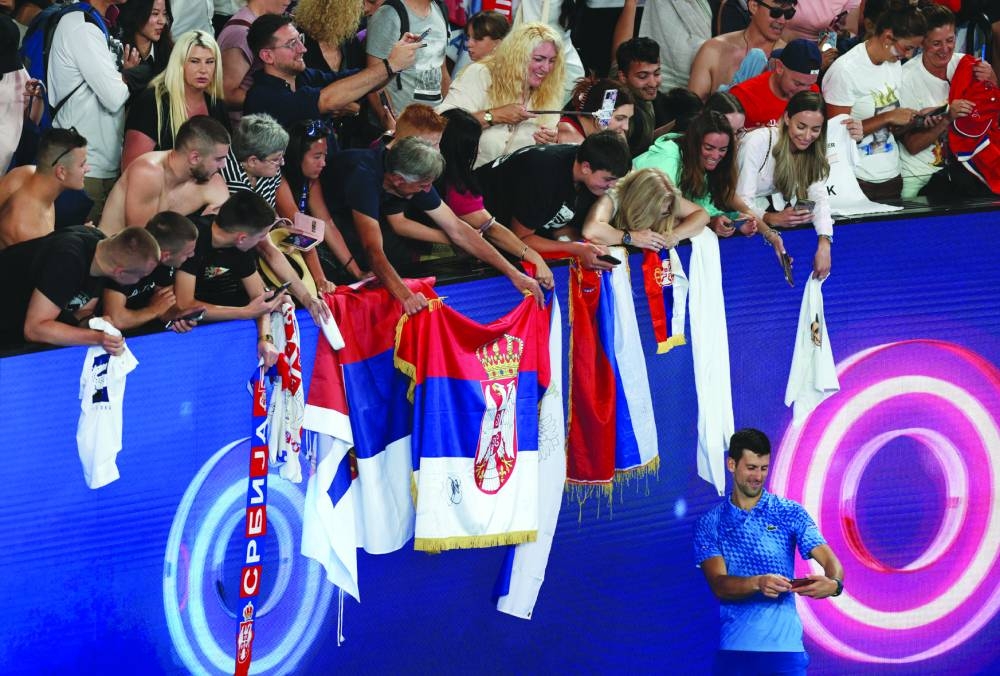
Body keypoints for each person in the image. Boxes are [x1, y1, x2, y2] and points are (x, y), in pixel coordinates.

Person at [325, 136, 544, 315]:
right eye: (423, 185)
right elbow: (373, 250)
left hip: (370, 209)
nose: (427, 190)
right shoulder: (364, 177)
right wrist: (406, 297)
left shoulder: (411, 178)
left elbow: (458, 229)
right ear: (398, 179)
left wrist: (514, 273)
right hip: (327, 220)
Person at [694, 427, 845, 676]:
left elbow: (832, 562)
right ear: (731, 464)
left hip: (785, 654)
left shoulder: (789, 512)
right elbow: (719, 585)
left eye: (764, 468)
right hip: (735, 653)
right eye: (751, 467)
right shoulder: (710, 523)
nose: (758, 476)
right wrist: (758, 582)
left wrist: (834, 584)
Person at [434, 108, 555, 289]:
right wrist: (532, 255)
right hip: (442, 273)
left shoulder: (424, 173)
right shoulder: (458, 190)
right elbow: (492, 229)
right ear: (468, 148)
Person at [475, 130, 632, 268]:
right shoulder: (543, 174)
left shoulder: (587, 175)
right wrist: (576, 249)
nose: (612, 185)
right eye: (608, 179)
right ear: (586, 168)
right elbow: (520, 240)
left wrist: (588, 247)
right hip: (473, 226)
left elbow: (559, 225)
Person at [736, 91, 851, 279]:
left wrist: (824, 243)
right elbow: (740, 202)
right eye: (801, 126)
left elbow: (818, 197)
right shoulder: (757, 142)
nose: (807, 136)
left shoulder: (814, 150)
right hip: (736, 217)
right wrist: (771, 218)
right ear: (787, 118)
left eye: (815, 129)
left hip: (766, 221)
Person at [46, 0, 141, 224]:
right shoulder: (81, 25)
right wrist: (129, 76)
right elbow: (114, 96)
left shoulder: (104, 21)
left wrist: (121, 78)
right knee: (79, 242)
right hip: (83, 165)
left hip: (105, 160)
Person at [822, 0, 927, 200]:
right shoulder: (845, 71)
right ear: (888, 37)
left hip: (891, 176)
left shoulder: (893, 64)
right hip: (855, 180)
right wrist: (888, 117)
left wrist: (911, 120)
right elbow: (835, 137)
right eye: (907, 48)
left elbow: (890, 126)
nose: (909, 55)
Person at [243, 13, 419, 128]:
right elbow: (327, 100)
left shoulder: (304, 76)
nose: (303, 49)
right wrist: (390, 65)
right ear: (267, 56)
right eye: (291, 44)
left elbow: (360, 80)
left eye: (300, 39)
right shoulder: (263, 97)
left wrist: (396, 65)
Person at [174, 191, 290, 366]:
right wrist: (244, 312)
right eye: (260, 236)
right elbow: (185, 304)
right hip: (184, 334)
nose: (261, 242)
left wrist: (265, 338)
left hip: (218, 314)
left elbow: (259, 300)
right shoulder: (193, 240)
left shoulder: (241, 248)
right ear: (242, 237)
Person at [0, 226, 160, 351]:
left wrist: (96, 324)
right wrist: (96, 339)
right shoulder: (67, 260)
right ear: (120, 272)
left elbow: (82, 311)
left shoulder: (102, 255)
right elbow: (34, 329)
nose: (139, 281)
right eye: (141, 276)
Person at [437, 21, 566, 168]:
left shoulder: (550, 92)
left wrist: (548, 143)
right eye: (538, 59)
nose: (546, 68)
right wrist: (493, 116)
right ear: (517, 56)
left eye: (552, 61)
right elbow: (444, 124)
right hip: (466, 175)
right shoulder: (480, 74)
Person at [898, 3, 995, 198]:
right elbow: (912, 145)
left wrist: (992, 80)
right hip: (919, 177)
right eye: (936, 43)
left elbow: (991, 115)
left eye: (950, 40)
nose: (945, 49)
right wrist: (947, 117)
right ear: (922, 42)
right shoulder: (905, 79)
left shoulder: (966, 65)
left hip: (965, 172)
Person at [634, 111, 758, 239]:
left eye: (722, 150)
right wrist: (708, 222)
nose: (716, 156)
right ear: (694, 143)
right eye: (709, 148)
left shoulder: (703, 165)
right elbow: (659, 209)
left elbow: (701, 207)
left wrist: (730, 221)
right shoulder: (668, 158)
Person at [101, 115, 230, 236]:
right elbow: (142, 241)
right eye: (218, 159)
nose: (223, 165)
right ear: (195, 158)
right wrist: (201, 228)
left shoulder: (211, 181)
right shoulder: (147, 173)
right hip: (114, 248)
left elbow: (229, 232)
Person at [275, 120, 365, 290]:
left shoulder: (311, 180)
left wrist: (357, 272)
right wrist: (320, 280)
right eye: (317, 157)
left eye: (324, 156)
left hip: (300, 241)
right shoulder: (278, 180)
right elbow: (300, 230)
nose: (323, 163)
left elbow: (327, 224)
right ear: (297, 156)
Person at [122, 30, 229, 170]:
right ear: (179, 63)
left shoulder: (216, 104)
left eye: (209, 62)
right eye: (194, 61)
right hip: (157, 182)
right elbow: (132, 168)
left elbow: (225, 161)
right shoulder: (152, 102)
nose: (203, 70)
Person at [101, 210, 201, 332]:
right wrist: (154, 311)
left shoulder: (166, 264)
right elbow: (115, 320)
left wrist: (178, 316)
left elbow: (164, 307)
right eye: (187, 253)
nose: (192, 255)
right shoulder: (126, 258)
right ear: (165, 255)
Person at [581, 166, 710, 251]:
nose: (660, 217)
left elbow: (702, 215)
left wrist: (675, 235)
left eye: (665, 213)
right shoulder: (614, 195)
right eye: (656, 213)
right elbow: (591, 231)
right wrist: (631, 238)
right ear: (641, 206)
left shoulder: (666, 197)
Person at [0, 128, 88, 249]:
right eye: (82, 165)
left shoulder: (25, 172)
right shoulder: (29, 230)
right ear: (61, 172)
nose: (88, 169)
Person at [688, 0, 793, 99]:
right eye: (776, 12)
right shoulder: (713, 50)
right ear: (754, 6)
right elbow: (693, 106)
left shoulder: (791, 59)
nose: (782, 20)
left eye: (789, 13)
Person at [367, 0, 451, 124]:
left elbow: (442, 70)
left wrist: (448, 116)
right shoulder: (389, 13)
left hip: (435, 125)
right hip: (402, 125)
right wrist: (390, 125)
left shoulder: (440, 9)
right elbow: (371, 81)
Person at [217, 0, 291, 121]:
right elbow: (226, 94)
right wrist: (278, 99)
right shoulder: (241, 33)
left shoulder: (258, 24)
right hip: (247, 126)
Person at [730, 38, 822, 130]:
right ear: (779, 67)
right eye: (797, 83)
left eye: (809, 84)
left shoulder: (813, 93)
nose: (804, 91)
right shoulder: (743, 96)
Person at [615, 37, 665, 156]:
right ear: (623, 77)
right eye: (643, 76)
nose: (653, 83)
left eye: (657, 73)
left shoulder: (648, 97)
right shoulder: (621, 114)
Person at [117, 0, 173, 99]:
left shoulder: (171, 54)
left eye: (164, 14)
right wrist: (127, 76)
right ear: (137, 13)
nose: (162, 21)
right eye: (155, 13)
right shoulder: (117, 50)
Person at [556, 77, 635, 145]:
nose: (626, 127)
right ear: (599, 115)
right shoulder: (570, 137)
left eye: (628, 119)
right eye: (619, 118)